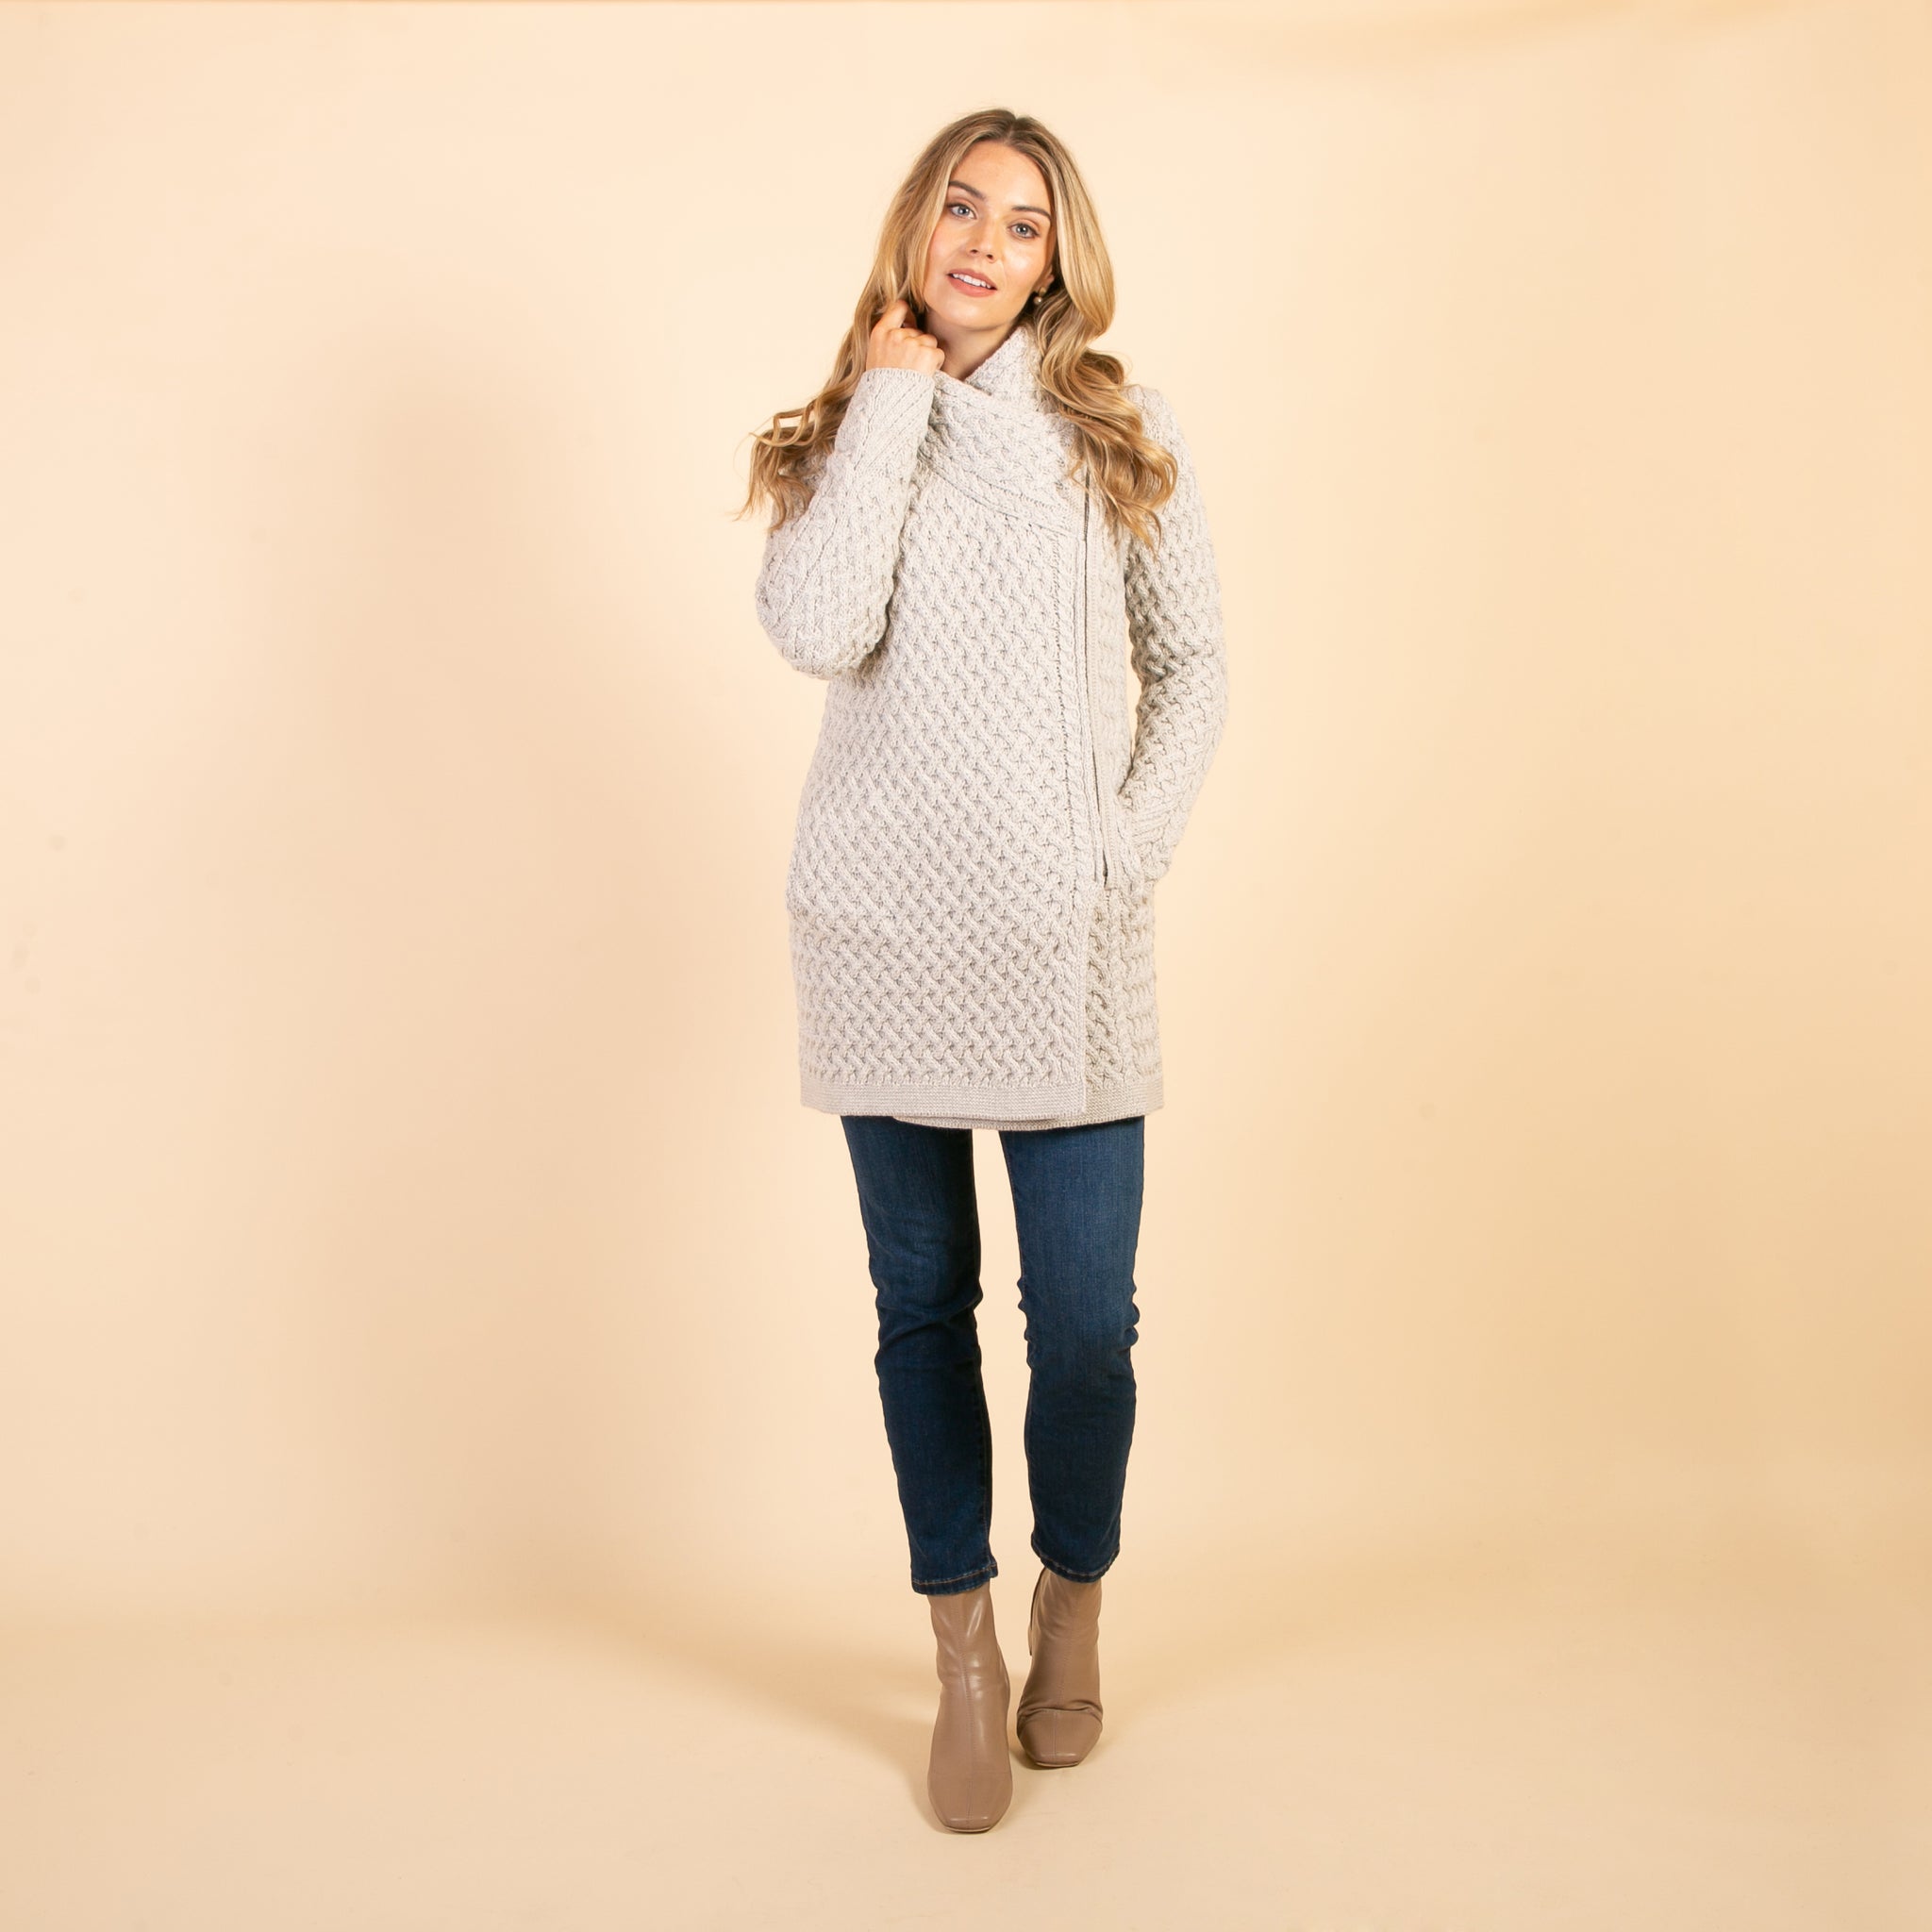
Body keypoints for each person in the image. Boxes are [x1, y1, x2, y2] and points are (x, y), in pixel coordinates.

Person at [741, 108, 1228, 1831]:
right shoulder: (838, 432)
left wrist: (1121, 856)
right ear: (916, 227)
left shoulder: (1118, 432)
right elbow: (818, 629)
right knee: (921, 1309)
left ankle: (1069, 1602)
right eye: (962, 207)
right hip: (881, 933)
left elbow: (1195, 668)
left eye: (1023, 225)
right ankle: (960, 1644)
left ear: (1054, 264)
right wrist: (889, 403)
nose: (985, 243)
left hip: (1066, 943)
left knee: (1085, 1327)